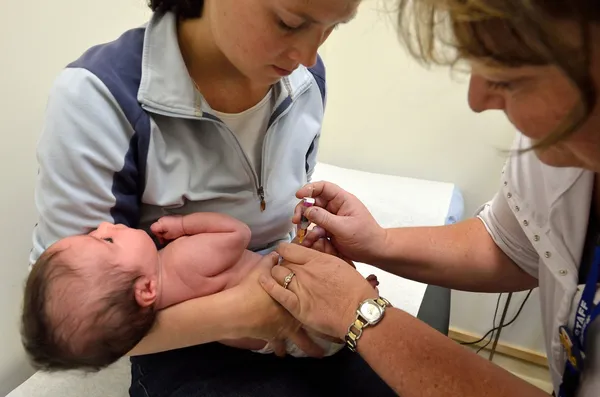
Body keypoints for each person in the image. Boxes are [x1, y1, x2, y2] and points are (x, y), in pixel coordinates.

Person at [28, 0, 398, 395]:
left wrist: (309, 242)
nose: (308, 55)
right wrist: (240, 313)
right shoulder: (99, 98)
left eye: (332, 27)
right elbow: (79, 327)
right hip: (180, 340)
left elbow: (285, 214)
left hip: (285, 293)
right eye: (289, 23)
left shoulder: (307, 83)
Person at [259, 0, 600, 396]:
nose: (477, 99)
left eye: (514, 75)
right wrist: (377, 243)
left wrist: (361, 313)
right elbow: (517, 243)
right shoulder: (561, 148)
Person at [22, 212, 375, 371]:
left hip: (283, 343)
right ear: (145, 288)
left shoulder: (146, 314)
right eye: (108, 241)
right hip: (294, 310)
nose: (103, 224)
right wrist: (183, 226)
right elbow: (237, 235)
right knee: (318, 270)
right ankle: (357, 299)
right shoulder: (183, 258)